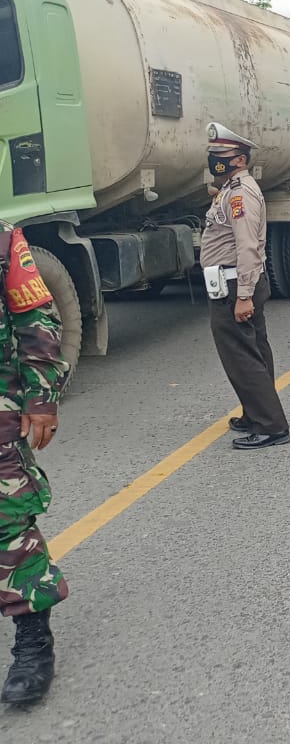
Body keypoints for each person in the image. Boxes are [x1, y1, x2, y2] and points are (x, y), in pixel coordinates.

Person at [0, 224, 70, 705]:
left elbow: (37, 317)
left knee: (6, 516)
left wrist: (41, 398)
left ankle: (33, 643)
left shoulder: (4, 241)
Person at [202, 122, 290, 450]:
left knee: (241, 357)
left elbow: (247, 246)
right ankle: (256, 413)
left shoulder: (240, 194)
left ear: (240, 159)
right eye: (213, 154)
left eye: (221, 155)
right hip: (234, 282)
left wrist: (243, 296)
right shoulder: (230, 189)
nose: (215, 160)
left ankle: (271, 426)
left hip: (234, 285)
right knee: (254, 351)